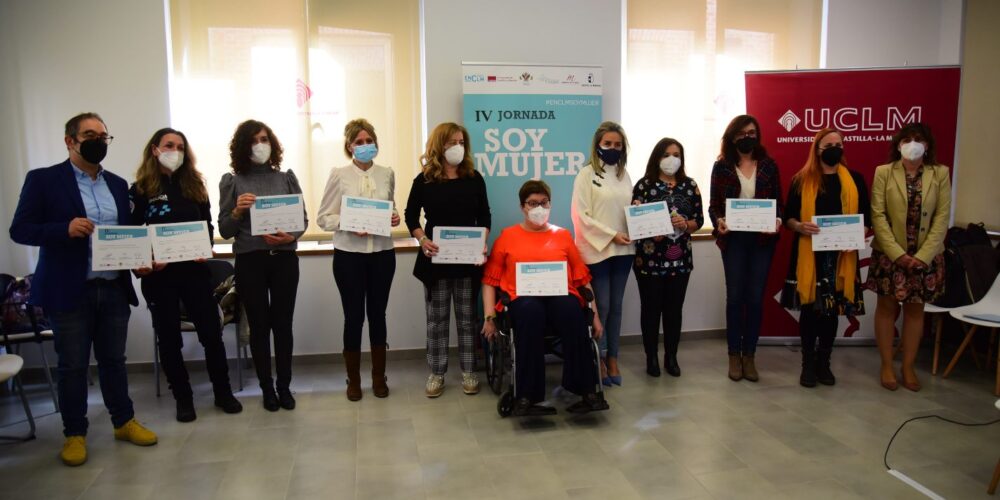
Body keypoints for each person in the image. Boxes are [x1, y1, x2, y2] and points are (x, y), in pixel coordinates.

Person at [9, 112, 157, 466]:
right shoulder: (44, 180)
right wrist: (63, 228)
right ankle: (74, 433)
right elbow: (20, 230)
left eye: (104, 136)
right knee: (73, 366)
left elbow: (128, 235)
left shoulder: (119, 185)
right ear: (70, 141)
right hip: (69, 289)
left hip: (113, 288)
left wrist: (138, 259)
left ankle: (123, 421)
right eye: (90, 134)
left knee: (114, 362)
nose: (98, 141)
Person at [129, 128, 243, 422]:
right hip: (159, 278)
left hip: (194, 274)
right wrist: (147, 259)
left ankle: (223, 393)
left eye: (180, 146)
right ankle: (183, 398)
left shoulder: (196, 186)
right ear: (155, 149)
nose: (175, 150)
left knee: (211, 334)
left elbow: (206, 227)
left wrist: (203, 246)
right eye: (169, 145)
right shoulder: (140, 189)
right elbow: (132, 235)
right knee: (169, 341)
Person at [482, 180, 608, 416]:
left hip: (560, 296)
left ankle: (588, 392)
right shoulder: (507, 236)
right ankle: (527, 397)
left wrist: (596, 317)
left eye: (543, 203)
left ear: (550, 204)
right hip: (523, 300)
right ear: (523, 207)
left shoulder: (562, 236)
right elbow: (490, 280)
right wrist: (489, 316)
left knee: (572, 312)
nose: (538, 207)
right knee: (531, 313)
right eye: (532, 203)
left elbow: (582, 280)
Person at [219, 120, 306, 411]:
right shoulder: (233, 182)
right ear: (244, 146)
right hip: (250, 262)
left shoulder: (286, 179)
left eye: (265, 138)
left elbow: (302, 221)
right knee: (258, 327)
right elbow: (225, 229)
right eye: (255, 140)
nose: (261, 144)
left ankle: (284, 387)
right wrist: (237, 210)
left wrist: (289, 236)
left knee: (284, 325)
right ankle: (266, 388)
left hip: (284, 259)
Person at [405, 123, 491, 397]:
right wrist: (422, 239)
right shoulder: (424, 180)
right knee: (437, 320)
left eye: (461, 142)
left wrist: (482, 242)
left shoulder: (474, 177)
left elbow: (485, 216)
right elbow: (410, 216)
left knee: (468, 319)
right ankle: (437, 373)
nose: (458, 147)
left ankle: (468, 371)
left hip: (467, 261)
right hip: (436, 261)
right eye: (452, 142)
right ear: (439, 145)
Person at [318, 118, 400, 401]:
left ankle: (379, 377)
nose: (365, 146)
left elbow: (390, 208)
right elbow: (323, 218)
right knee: (353, 318)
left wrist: (394, 216)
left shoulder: (387, 173)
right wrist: (348, 222)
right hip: (349, 256)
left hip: (382, 255)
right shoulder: (339, 175)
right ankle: (353, 380)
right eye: (359, 142)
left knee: (378, 315)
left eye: (369, 141)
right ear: (349, 146)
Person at [782, 128, 870, 388]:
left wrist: (857, 235)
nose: (834, 148)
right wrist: (800, 226)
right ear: (817, 149)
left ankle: (824, 362)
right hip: (810, 255)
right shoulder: (802, 180)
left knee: (832, 312)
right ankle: (807, 364)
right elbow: (789, 218)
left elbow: (865, 217)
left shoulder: (855, 179)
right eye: (828, 144)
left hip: (841, 257)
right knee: (810, 311)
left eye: (839, 143)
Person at [866, 122, 950, 392]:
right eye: (907, 139)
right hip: (890, 255)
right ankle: (887, 365)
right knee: (887, 308)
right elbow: (877, 215)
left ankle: (909, 366)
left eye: (918, 139)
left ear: (927, 145)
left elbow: (941, 217)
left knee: (915, 311)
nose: (912, 144)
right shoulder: (884, 172)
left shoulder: (940, 174)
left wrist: (923, 255)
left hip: (925, 256)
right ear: (899, 143)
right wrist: (897, 254)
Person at [708, 114, 783, 382]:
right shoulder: (722, 167)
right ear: (732, 137)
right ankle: (733, 356)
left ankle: (750, 356)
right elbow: (714, 205)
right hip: (734, 240)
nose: (747, 137)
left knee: (754, 299)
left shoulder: (768, 166)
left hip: (762, 241)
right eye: (741, 133)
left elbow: (779, 205)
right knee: (735, 298)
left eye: (751, 132)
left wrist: (776, 222)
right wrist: (719, 223)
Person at [631, 138, 704, 378]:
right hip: (649, 262)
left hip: (680, 261)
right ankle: (650, 357)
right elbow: (635, 221)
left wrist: (686, 224)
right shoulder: (643, 185)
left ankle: (671, 357)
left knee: (674, 311)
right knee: (650, 310)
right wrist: (651, 227)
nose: (671, 159)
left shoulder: (690, 186)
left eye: (676, 154)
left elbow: (699, 220)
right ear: (656, 157)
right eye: (666, 154)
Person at [571, 121, 635, 386]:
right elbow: (580, 216)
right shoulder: (585, 174)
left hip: (624, 249)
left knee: (617, 308)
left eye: (617, 144)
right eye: (607, 144)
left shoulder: (624, 174)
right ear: (597, 144)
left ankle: (613, 359)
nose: (612, 148)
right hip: (596, 250)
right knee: (603, 307)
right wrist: (610, 234)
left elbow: (626, 209)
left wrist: (638, 210)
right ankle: (598, 356)